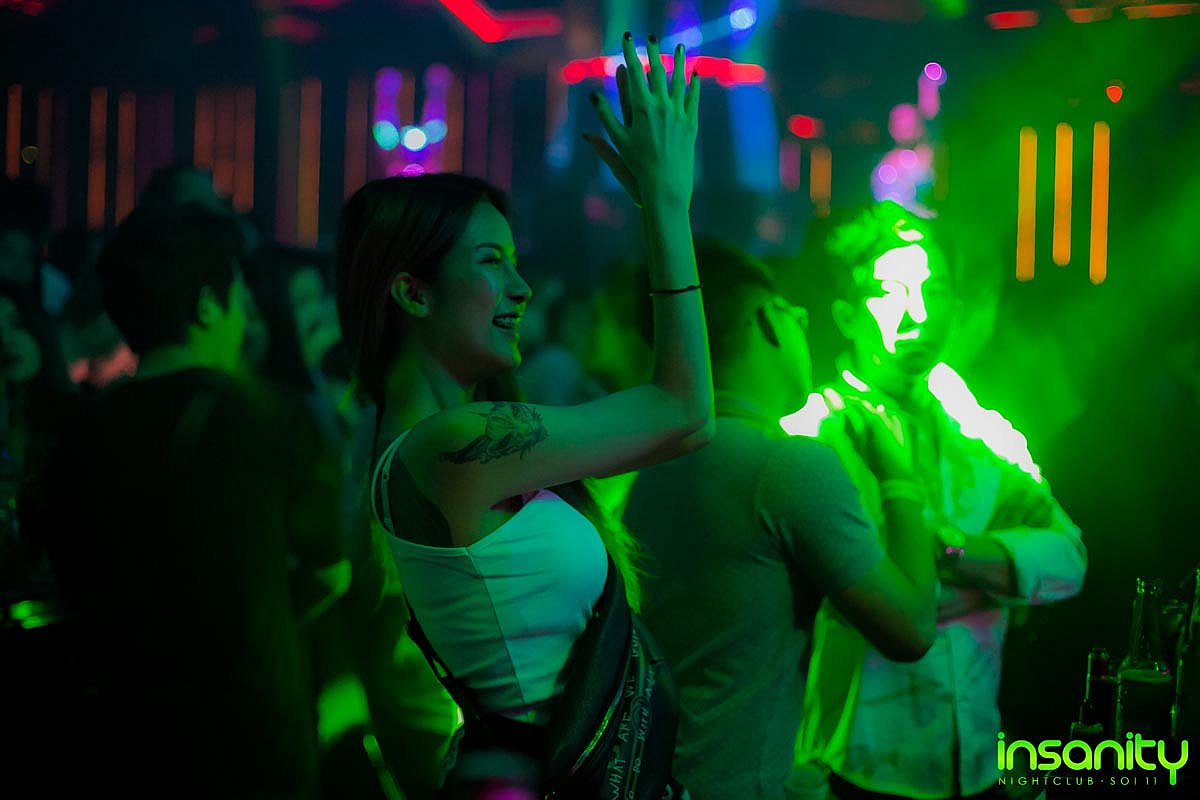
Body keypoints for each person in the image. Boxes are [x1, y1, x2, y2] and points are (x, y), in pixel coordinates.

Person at [336, 33, 709, 797]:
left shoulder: (438, 446)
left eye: (515, 259)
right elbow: (684, 413)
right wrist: (666, 203)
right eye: (490, 262)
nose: (522, 287)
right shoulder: (449, 448)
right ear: (412, 292)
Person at [40, 203, 346, 797]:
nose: (246, 319)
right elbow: (330, 573)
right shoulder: (269, 415)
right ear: (208, 305)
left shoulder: (78, 430)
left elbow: (70, 575)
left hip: (125, 734)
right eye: (239, 301)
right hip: (251, 732)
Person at [785, 202, 1086, 800]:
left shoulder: (983, 431)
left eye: (935, 290)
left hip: (977, 760)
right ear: (846, 314)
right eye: (890, 292)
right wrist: (996, 582)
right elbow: (855, 606)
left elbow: (1070, 560)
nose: (919, 314)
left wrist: (945, 554)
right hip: (855, 766)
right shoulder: (811, 436)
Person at [621, 238, 937, 800]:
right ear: (768, 320)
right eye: (795, 314)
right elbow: (911, 628)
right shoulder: (788, 467)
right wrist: (899, 478)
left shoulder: (651, 467)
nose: (804, 326)